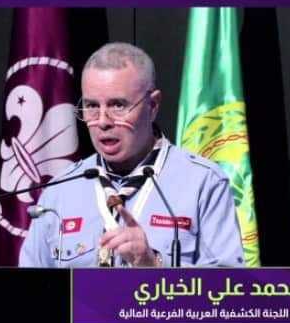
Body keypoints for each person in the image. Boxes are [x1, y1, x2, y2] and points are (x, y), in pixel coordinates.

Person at [18, 42, 244, 268]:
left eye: (118, 105)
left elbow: (228, 285)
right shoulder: (60, 190)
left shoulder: (204, 183)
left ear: (152, 105)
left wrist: (154, 265)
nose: (103, 121)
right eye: (92, 106)